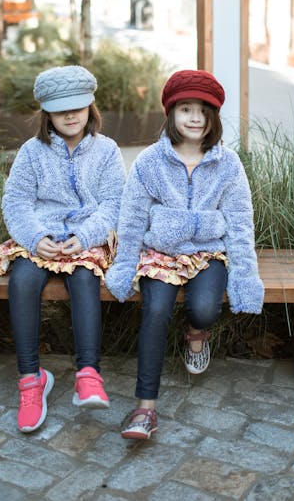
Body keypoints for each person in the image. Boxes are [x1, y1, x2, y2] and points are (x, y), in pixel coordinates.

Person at [104, 69, 264, 440]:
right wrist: (125, 264)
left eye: (203, 111)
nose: (195, 118)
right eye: (186, 109)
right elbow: (131, 219)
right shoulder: (149, 162)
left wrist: (245, 276)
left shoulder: (228, 164)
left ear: (213, 118)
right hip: (160, 253)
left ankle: (197, 332)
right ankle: (145, 410)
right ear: (171, 114)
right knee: (156, 310)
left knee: (205, 307)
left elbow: (240, 223)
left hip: (209, 253)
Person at [0, 65, 126, 433]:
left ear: (90, 106)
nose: (71, 115)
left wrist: (88, 235)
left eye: (77, 106)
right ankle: (31, 380)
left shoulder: (106, 151)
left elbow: (114, 202)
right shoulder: (31, 153)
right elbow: (16, 202)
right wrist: (34, 236)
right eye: (61, 110)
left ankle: (88, 373)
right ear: (47, 113)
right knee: (23, 280)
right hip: (41, 237)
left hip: (86, 240)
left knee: (85, 276)